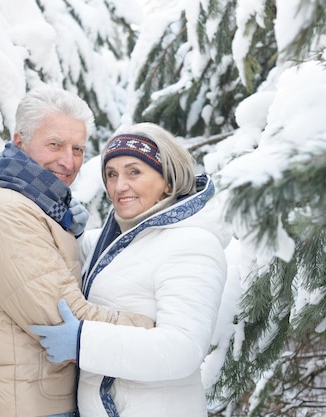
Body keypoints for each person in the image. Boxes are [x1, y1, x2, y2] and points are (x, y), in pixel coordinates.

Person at [0, 87, 154, 417]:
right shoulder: (7, 213)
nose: (68, 161)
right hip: (23, 405)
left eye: (77, 149)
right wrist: (160, 330)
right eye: (55, 145)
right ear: (20, 142)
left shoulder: (45, 209)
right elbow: (63, 318)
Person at [30, 122, 229, 417]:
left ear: (169, 182)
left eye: (134, 172)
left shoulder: (192, 243)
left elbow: (182, 349)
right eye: (111, 174)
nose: (119, 186)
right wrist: (67, 232)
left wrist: (83, 341)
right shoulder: (105, 242)